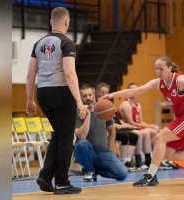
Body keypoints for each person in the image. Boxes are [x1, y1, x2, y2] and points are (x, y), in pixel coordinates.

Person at [101, 55, 184, 187]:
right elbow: (135, 91)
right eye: (156, 69)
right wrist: (113, 95)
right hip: (182, 118)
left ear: (170, 68)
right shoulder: (158, 83)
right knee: (166, 153)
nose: (158, 72)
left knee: (160, 138)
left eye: (161, 69)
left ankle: (150, 176)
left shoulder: (180, 79)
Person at [26, 7, 87, 194]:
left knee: (59, 135)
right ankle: (62, 182)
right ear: (67, 22)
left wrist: (30, 100)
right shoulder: (67, 43)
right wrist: (79, 101)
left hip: (43, 94)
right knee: (67, 138)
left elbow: (30, 75)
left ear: (51, 22)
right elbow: (69, 73)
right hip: (61, 92)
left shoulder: (38, 43)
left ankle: (45, 176)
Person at [74, 84, 128, 182]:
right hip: (85, 152)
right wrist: (88, 115)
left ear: (94, 94)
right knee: (82, 143)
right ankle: (88, 171)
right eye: (84, 96)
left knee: (122, 174)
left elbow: (112, 129)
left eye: (90, 95)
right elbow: (82, 136)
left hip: (103, 152)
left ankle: (96, 170)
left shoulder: (103, 109)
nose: (88, 98)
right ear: (80, 97)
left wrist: (110, 148)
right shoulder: (77, 112)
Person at [96, 82, 139, 170]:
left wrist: (124, 125)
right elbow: (105, 122)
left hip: (114, 129)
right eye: (102, 92)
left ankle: (126, 161)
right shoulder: (98, 106)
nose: (104, 94)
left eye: (106, 92)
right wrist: (119, 126)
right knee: (125, 136)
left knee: (134, 136)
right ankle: (122, 161)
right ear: (97, 92)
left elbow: (116, 120)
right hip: (104, 131)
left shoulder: (109, 105)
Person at [118, 83, 159, 169]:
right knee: (143, 133)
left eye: (136, 90)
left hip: (134, 126)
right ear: (128, 91)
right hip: (127, 127)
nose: (134, 92)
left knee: (153, 132)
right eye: (132, 90)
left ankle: (150, 158)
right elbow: (131, 123)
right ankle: (138, 160)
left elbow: (140, 121)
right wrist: (150, 126)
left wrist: (151, 126)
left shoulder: (138, 104)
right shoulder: (126, 104)